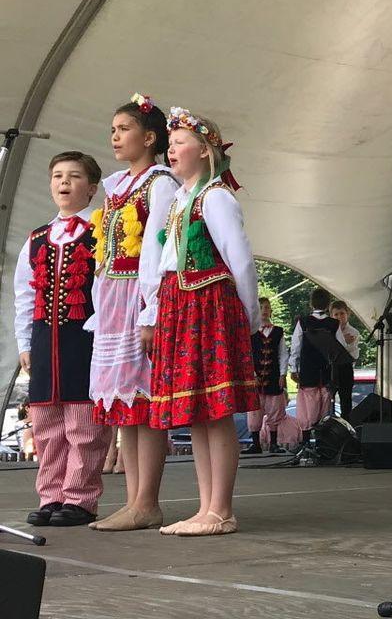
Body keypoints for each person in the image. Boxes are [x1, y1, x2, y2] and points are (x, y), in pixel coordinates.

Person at [148, 107, 260, 537]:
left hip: (210, 304)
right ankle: (205, 505)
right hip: (182, 304)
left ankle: (222, 509)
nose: (171, 149)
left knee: (215, 412)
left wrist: (246, 318)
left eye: (179, 142)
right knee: (197, 413)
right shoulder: (180, 199)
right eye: (170, 143)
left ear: (206, 148)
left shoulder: (215, 197)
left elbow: (241, 261)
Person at [87, 94, 179, 532]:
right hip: (111, 297)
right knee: (123, 403)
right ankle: (132, 500)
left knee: (143, 398)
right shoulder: (117, 184)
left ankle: (147, 501)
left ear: (149, 137)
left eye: (123, 129)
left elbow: (159, 250)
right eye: (113, 130)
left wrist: (151, 312)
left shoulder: (160, 183)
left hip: (139, 299)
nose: (115, 137)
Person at [14, 151, 110, 526]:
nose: (64, 183)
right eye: (57, 176)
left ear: (92, 187)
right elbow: (24, 294)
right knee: (46, 423)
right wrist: (25, 342)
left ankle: (81, 498)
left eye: (73, 176)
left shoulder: (101, 231)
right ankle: (51, 495)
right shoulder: (37, 237)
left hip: (84, 337)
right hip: (44, 338)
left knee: (83, 421)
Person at [289, 288, 339, 440]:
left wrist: (293, 368)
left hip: (307, 371)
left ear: (311, 303)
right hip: (325, 371)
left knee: (306, 407)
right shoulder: (333, 324)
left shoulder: (303, 322)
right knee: (324, 405)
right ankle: (320, 441)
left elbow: (295, 346)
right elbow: (339, 348)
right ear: (328, 304)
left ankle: (305, 440)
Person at [243, 297, 291, 454]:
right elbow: (247, 355)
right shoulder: (250, 332)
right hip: (256, 378)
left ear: (271, 311)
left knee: (274, 408)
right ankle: (255, 443)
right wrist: (252, 374)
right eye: (261, 307)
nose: (264, 310)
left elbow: (283, 354)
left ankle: (274, 443)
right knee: (255, 410)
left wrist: (283, 374)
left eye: (266, 307)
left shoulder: (278, 331)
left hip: (273, 376)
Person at [329, 299, 360, 421]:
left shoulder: (353, 332)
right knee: (327, 398)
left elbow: (349, 352)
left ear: (347, 314)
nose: (339, 317)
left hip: (345, 368)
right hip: (331, 368)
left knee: (345, 400)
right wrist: (342, 341)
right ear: (331, 316)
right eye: (336, 314)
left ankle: (347, 425)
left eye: (342, 313)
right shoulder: (329, 331)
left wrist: (341, 343)